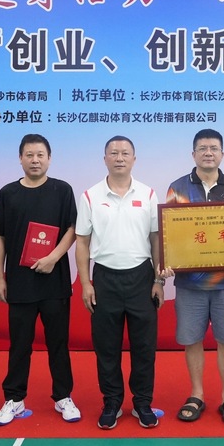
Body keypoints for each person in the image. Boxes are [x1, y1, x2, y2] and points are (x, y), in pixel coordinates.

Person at [75, 136, 165, 430]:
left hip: (141, 277)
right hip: (104, 279)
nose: (119, 157)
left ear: (134, 159)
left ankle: (142, 403)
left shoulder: (148, 194)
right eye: (113, 153)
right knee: (106, 348)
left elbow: (155, 238)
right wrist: (86, 283)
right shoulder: (90, 196)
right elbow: (82, 242)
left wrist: (158, 280)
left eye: (125, 153)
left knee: (144, 347)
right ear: (105, 159)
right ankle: (111, 402)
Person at [0, 134, 79, 425]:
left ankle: (63, 396)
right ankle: (14, 399)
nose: (35, 160)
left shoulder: (62, 190)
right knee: (19, 345)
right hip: (19, 283)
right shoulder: (7, 193)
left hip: (54, 282)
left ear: (49, 158)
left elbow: (72, 229)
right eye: (29, 155)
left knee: (58, 343)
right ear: (20, 158)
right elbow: (0, 237)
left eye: (40, 155)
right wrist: (0, 278)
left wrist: (53, 257)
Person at [166, 128, 224, 427]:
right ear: (193, 154)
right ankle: (197, 394)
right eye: (202, 148)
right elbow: (170, 234)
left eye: (214, 148)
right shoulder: (177, 187)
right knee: (192, 341)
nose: (208, 153)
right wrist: (168, 261)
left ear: (222, 154)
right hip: (190, 284)